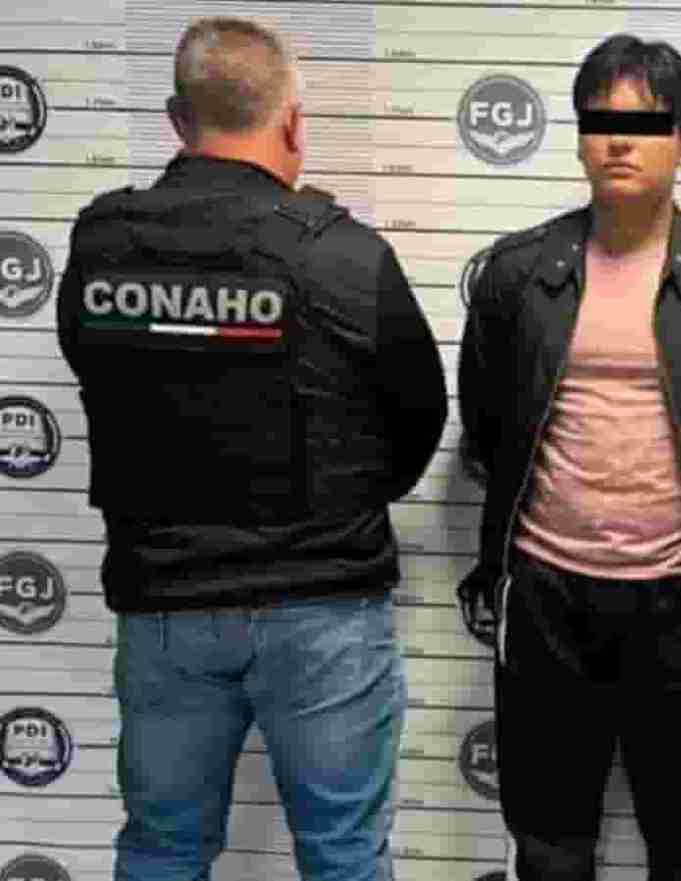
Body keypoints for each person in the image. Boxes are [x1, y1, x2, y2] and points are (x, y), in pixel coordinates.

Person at [54, 17, 447, 881]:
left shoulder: (102, 246)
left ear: (176, 118)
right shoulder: (343, 254)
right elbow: (419, 417)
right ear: (294, 122)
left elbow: (95, 369)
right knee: (344, 857)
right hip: (322, 610)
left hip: (165, 605)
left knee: (162, 850)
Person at [456, 34, 681, 881]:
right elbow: (487, 420)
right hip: (545, 596)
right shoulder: (517, 274)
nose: (620, 142)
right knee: (550, 846)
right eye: (601, 122)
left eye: (646, 124)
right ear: (581, 139)